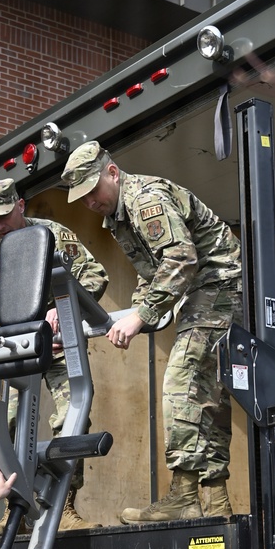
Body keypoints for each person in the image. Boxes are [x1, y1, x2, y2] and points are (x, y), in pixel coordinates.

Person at [60, 142, 241, 522]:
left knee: (182, 381)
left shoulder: (145, 200)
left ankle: (185, 495)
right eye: (83, 198)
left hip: (217, 285)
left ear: (112, 173)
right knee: (204, 394)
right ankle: (215, 502)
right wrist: (136, 311)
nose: (90, 202)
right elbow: (152, 271)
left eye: (93, 190)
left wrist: (140, 316)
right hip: (200, 290)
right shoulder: (119, 216)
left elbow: (180, 258)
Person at [0, 177, 109, 529]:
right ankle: (11, 510)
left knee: (74, 416)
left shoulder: (54, 236)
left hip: (63, 343)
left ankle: (62, 507)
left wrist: (64, 309)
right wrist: (32, 335)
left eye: (3, 216)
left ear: (20, 205)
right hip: (18, 352)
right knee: (4, 426)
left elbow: (95, 276)